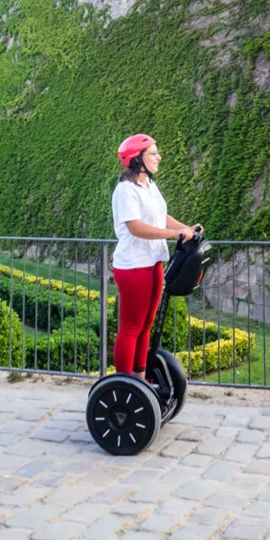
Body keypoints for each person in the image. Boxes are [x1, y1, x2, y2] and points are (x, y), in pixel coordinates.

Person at [110, 134, 200, 377]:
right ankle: (124, 383)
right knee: (131, 327)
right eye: (153, 153)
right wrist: (173, 234)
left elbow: (161, 215)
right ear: (138, 159)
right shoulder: (125, 190)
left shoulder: (150, 186)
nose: (159, 157)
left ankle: (140, 381)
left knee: (146, 326)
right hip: (133, 266)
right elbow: (135, 227)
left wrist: (186, 229)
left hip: (153, 263)